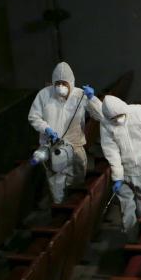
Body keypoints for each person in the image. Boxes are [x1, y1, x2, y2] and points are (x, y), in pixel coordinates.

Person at [85, 94, 141, 242]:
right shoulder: (106, 124)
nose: (118, 120)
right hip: (125, 170)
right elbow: (112, 152)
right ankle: (130, 239)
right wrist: (117, 177)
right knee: (126, 205)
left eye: (120, 116)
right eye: (113, 119)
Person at [28, 61, 89, 203]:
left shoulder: (80, 95)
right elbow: (33, 116)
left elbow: (100, 114)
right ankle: (60, 210)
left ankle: (75, 212)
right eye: (58, 83)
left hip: (75, 147)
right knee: (57, 187)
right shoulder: (44, 95)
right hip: (53, 149)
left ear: (71, 83)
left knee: (77, 185)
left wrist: (92, 99)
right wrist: (46, 128)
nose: (60, 87)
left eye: (64, 83)